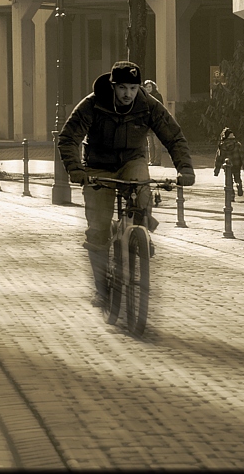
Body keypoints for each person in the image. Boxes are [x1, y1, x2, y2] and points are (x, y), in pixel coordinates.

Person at [58, 61, 195, 307]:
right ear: (113, 86)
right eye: (122, 88)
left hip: (133, 159)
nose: (127, 94)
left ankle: (139, 238)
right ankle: (101, 288)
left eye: (132, 88)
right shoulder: (93, 103)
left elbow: (173, 135)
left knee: (142, 193)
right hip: (99, 165)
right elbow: (69, 137)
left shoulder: (147, 105)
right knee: (98, 228)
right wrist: (76, 169)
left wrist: (184, 168)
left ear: (139, 88)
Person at [213, 127, 244, 196]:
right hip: (237, 165)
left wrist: (216, 170)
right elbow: (242, 156)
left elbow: (219, 158)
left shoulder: (222, 146)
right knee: (237, 177)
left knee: (229, 180)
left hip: (227, 166)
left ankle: (231, 194)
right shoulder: (237, 144)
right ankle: (238, 185)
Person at [143, 80, 164, 166]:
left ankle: (157, 161)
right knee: (150, 144)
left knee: (156, 143)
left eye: (150, 87)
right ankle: (151, 161)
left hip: (156, 122)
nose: (148, 88)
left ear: (153, 87)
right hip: (148, 123)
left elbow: (160, 108)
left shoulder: (157, 96)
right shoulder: (144, 96)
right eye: (147, 87)